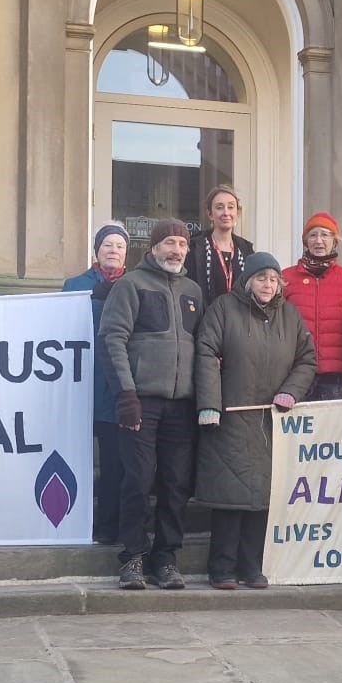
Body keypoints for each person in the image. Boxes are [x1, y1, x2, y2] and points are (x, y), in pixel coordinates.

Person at [195, 252, 318, 589]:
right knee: (229, 495)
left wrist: (291, 391)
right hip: (230, 418)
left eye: (274, 279)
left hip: (271, 421)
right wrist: (210, 404)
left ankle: (251, 567)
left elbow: (307, 359)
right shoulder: (223, 309)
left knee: (262, 497)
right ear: (248, 281)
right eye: (262, 278)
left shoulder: (290, 316)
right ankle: (221, 568)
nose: (268, 284)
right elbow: (206, 352)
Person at [98, 217, 202, 591]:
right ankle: (133, 557)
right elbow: (112, 339)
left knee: (176, 485)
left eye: (182, 244)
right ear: (154, 247)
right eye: (170, 243)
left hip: (182, 406)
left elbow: (204, 347)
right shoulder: (130, 285)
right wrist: (126, 395)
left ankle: (166, 559)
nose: (177, 250)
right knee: (138, 482)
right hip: (141, 402)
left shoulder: (193, 291)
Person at [63, 223, 130, 545]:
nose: (113, 250)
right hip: (79, 383)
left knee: (114, 463)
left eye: (119, 246)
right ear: (96, 249)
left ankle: (107, 527)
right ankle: (71, 522)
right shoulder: (75, 286)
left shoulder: (135, 285)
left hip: (116, 385)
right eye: (107, 244)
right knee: (74, 459)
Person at [282, 212, 342, 402]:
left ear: (334, 241)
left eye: (325, 235)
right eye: (313, 235)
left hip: (338, 379)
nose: (319, 241)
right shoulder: (286, 278)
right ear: (305, 242)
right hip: (296, 375)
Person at [185, 184, 253, 307]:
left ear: (237, 213)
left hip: (237, 317)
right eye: (219, 207)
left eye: (231, 207)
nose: (226, 212)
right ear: (210, 214)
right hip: (205, 317)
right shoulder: (194, 249)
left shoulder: (246, 250)